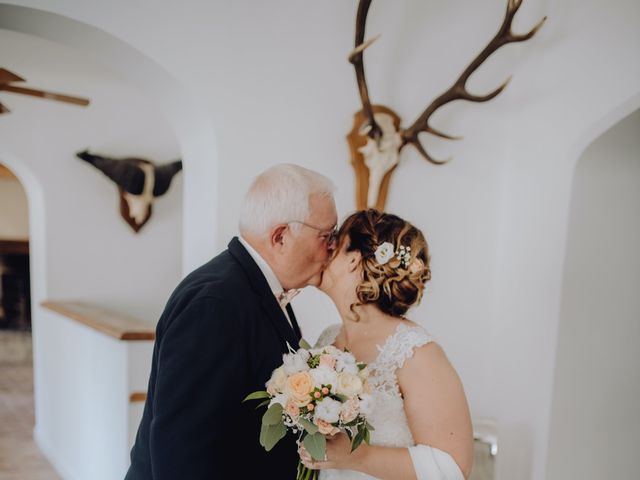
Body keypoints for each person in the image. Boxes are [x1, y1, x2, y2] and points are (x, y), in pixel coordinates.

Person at [125, 164, 338, 479]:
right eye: (326, 235)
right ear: (280, 236)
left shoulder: (254, 287)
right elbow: (182, 449)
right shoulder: (216, 305)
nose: (333, 246)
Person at [299, 209, 474, 480]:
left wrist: (357, 456)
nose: (326, 249)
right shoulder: (327, 338)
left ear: (354, 260)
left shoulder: (415, 352)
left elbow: (452, 468)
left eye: (336, 243)